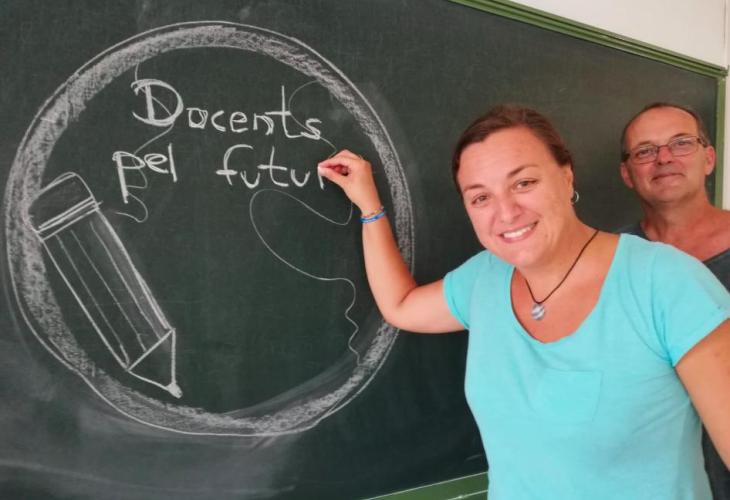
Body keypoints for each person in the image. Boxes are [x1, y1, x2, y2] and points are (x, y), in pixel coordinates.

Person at [317, 104, 730, 500]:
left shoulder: (666, 282)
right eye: (480, 197)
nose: (507, 212)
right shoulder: (486, 277)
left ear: (566, 176)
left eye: (524, 183)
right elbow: (402, 305)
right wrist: (369, 206)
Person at [620, 102, 730, 500]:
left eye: (681, 143)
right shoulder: (611, 262)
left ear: (709, 158)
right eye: (645, 151)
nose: (664, 158)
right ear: (627, 174)